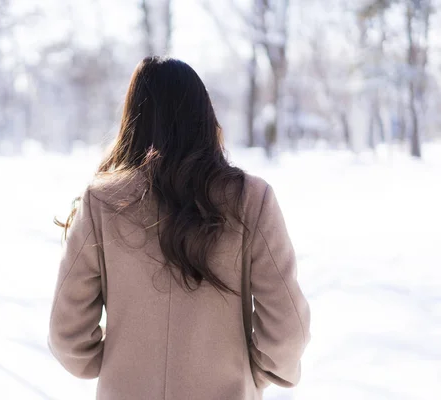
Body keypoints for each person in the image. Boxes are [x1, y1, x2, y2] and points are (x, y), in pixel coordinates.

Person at [49, 57, 310, 400]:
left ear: (133, 120)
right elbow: (287, 329)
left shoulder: (101, 202)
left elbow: (67, 334)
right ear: (205, 117)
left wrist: (119, 366)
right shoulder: (250, 199)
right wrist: (250, 371)